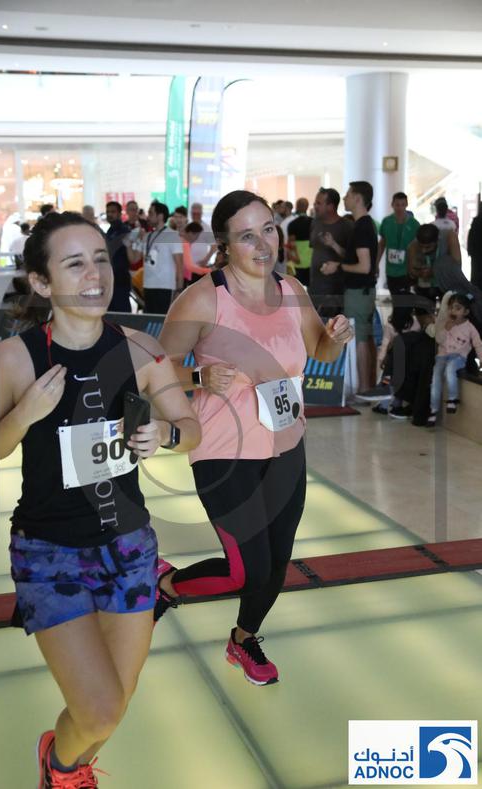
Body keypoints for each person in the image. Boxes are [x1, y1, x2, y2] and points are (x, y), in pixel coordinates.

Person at [0, 211, 200, 787]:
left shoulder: (141, 350)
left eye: (100, 259)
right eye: (74, 263)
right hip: (49, 552)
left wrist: (165, 434)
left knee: (116, 703)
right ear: (42, 282)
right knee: (98, 709)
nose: (95, 274)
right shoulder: (15, 358)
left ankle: (66, 767)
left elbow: (191, 428)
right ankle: (60, 767)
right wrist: (24, 413)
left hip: (130, 548)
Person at [156, 190, 353, 685]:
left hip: (286, 442)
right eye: (247, 236)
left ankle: (243, 639)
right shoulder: (203, 298)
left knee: (277, 560)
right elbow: (153, 370)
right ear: (224, 244)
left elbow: (320, 351)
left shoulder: (292, 289)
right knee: (246, 569)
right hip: (225, 450)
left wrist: (335, 339)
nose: (264, 244)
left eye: (268, 229)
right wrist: (198, 377)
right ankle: (165, 585)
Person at [321, 181, 378, 393]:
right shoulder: (362, 225)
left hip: (359, 292)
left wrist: (337, 267)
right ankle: (366, 385)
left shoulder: (362, 227)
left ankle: (363, 388)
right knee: (364, 336)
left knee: (360, 337)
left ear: (357, 198)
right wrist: (334, 246)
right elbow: (355, 258)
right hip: (361, 291)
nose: (344, 198)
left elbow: (364, 266)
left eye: (347, 194)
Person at [427, 291, 482, 426]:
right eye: (451, 308)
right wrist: (446, 329)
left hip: (458, 357)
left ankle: (452, 399)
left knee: (450, 369)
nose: (453, 311)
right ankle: (433, 410)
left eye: (458, 308)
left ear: (466, 312)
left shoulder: (469, 328)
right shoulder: (447, 324)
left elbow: (478, 344)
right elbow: (439, 340)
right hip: (441, 356)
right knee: (435, 379)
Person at [129, 202, 183, 314]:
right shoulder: (147, 236)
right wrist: (129, 242)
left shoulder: (172, 235)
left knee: (163, 320)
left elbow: (179, 265)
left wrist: (179, 289)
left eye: (151, 213)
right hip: (147, 286)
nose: (148, 216)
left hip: (165, 287)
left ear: (160, 216)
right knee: (149, 320)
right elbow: (134, 259)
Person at [309, 188, 350, 318]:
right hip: (314, 287)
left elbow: (352, 258)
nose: (315, 206)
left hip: (335, 291)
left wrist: (333, 244)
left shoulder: (346, 226)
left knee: (331, 326)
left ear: (331, 206)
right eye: (315, 203)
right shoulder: (315, 222)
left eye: (319, 203)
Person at [377, 192, 420, 298]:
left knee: (404, 299)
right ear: (392, 205)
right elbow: (382, 244)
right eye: (397, 204)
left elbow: (418, 248)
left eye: (402, 204)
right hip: (390, 270)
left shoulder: (414, 224)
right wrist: (376, 263)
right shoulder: (386, 222)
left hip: (407, 270)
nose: (400, 208)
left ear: (406, 205)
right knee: (395, 298)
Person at [407, 223, 461, 305]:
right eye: (421, 246)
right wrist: (419, 273)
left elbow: (456, 266)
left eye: (428, 247)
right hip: (425, 285)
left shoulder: (450, 237)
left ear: (437, 241)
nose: (424, 250)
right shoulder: (413, 246)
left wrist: (434, 271)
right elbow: (412, 272)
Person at [105, 201, 132, 313]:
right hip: (110, 278)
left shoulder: (125, 231)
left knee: (122, 312)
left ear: (120, 214)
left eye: (113, 212)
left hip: (121, 278)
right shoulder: (110, 231)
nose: (109, 214)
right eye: (108, 212)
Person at [286, 199, 313, 286]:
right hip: (312, 262)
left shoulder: (292, 224)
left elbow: (291, 244)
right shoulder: (314, 222)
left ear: (297, 207)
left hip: (297, 263)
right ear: (307, 207)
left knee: (298, 289)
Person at [467, 206, 482, 290]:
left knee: (476, 277)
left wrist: (470, 251)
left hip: (476, 254)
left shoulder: (476, 220)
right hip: (477, 253)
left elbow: (471, 237)